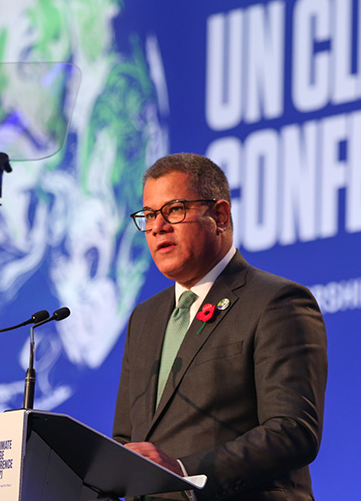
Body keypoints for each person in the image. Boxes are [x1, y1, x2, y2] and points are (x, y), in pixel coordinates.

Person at [113, 153, 327, 501]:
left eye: (174, 210)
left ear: (221, 216)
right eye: (150, 215)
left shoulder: (276, 301)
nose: (157, 227)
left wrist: (185, 473)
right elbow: (126, 441)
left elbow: (293, 431)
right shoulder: (144, 318)